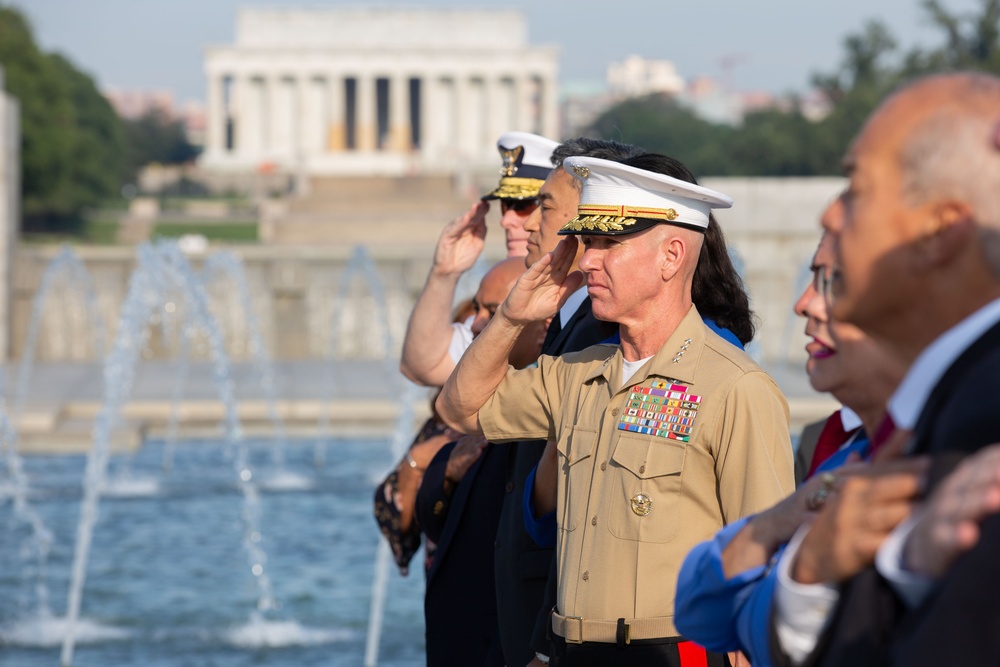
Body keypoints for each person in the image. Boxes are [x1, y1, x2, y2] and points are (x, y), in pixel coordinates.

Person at [436, 155, 794, 666]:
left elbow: (765, 562)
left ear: (672, 256)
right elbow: (458, 407)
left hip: (674, 653)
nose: (586, 261)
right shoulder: (576, 374)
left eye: (608, 244)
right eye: (590, 242)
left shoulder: (736, 388)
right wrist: (514, 315)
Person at [768, 71, 1000, 667]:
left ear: (940, 233)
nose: (832, 214)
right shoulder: (954, 396)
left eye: (856, 187)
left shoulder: (984, 413)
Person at [672, 231, 907, 667]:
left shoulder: (962, 457)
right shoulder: (845, 459)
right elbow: (699, 608)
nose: (803, 303)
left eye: (833, 281)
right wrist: (784, 525)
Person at [414, 257, 541, 667]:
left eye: (492, 310)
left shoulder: (544, 395)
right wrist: (447, 472)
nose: (474, 323)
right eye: (478, 309)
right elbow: (431, 516)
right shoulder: (486, 386)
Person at [400, 131, 559, 387]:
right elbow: (423, 366)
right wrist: (444, 274)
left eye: (525, 205)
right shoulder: (499, 301)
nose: (506, 220)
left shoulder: (601, 300)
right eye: (506, 205)